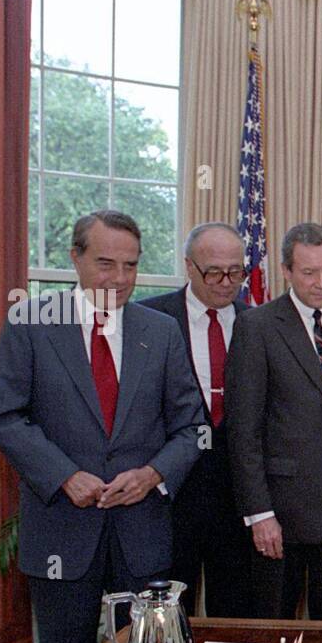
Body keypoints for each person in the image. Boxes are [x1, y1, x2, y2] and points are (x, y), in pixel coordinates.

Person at [0, 209, 204, 643]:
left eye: (131, 265)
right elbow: (4, 416)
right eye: (107, 263)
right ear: (76, 259)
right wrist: (64, 475)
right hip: (62, 532)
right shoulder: (32, 322)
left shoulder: (160, 332)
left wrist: (153, 475)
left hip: (141, 536)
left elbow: (192, 428)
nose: (121, 278)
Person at [225, 222, 322, 620]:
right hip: (279, 513)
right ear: (286, 270)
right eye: (309, 272)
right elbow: (243, 430)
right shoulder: (257, 326)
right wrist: (260, 514)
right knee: (274, 625)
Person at [137, 222, 253, 618]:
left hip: (238, 500)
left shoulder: (259, 322)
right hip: (169, 498)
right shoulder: (148, 319)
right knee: (168, 617)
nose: (226, 282)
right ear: (188, 267)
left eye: (236, 272)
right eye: (213, 271)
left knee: (234, 618)